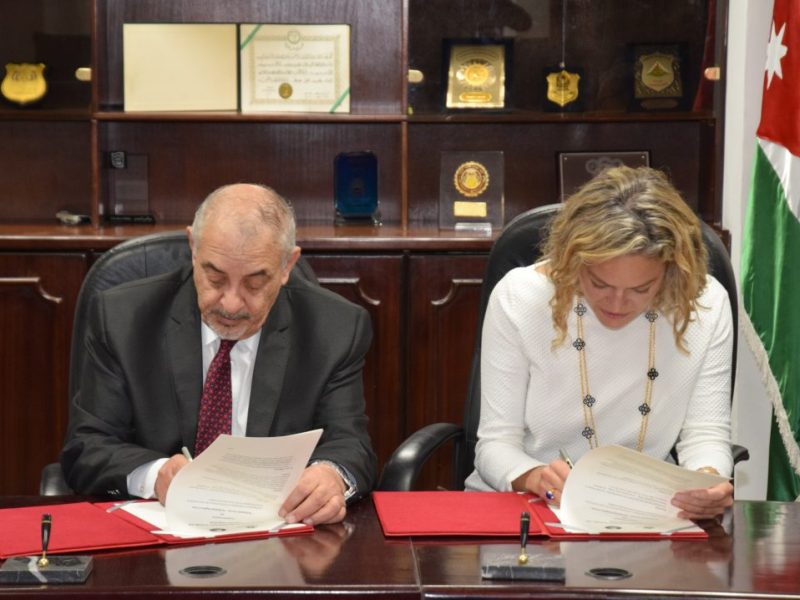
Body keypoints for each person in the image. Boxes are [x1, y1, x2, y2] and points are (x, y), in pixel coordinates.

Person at [61, 183, 376, 525]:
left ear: (288, 265)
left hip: (276, 538)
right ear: (193, 248)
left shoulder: (335, 329)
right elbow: (87, 447)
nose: (231, 303)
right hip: (156, 534)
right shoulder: (123, 319)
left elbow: (350, 444)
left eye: (254, 284)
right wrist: (155, 475)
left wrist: (330, 475)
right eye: (215, 279)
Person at [464, 166, 734, 520]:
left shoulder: (704, 305)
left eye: (641, 289)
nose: (617, 303)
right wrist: (535, 477)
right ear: (572, 261)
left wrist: (708, 480)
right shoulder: (521, 297)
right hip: (526, 506)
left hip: (644, 512)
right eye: (599, 283)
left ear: (671, 273)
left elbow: (705, 434)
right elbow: (495, 444)